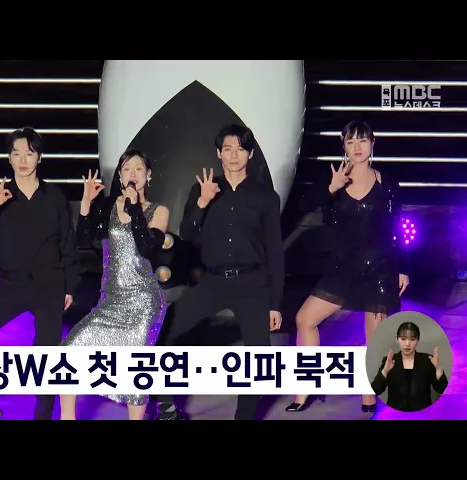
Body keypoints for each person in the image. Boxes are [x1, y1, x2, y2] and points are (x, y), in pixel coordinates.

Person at [155, 123, 284, 421]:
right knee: (167, 330)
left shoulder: (266, 197)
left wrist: (275, 303)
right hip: (212, 280)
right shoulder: (204, 188)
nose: (233, 155)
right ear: (218, 154)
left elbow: (275, 252)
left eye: (240, 149)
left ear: (250, 154)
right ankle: (166, 405)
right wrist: (202, 202)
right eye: (227, 149)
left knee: (259, 358)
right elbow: (187, 234)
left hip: (252, 284)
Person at [285, 120, 410, 414]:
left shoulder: (387, 184)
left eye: (362, 140)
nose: (357, 147)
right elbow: (302, 206)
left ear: (372, 144)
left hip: (379, 267)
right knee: (305, 319)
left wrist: (403, 268)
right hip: (343, 267)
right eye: (351, 141)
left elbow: (398, 228)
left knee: (374, 338)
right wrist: (331, 187)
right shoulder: (334, 178)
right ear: (343, 146)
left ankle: (368, 396)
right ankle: (306, 387)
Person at [0, 126, 79, 421]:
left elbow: (68, 243)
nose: (23, 160)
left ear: (40, 157)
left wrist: (69, 286)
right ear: (9, 158)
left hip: (49, 284)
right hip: (11, 285)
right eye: (16, 154)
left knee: (46, 358)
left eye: (29, 153)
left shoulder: (55, 197)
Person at [59, 150, 170, 421]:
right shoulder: (108, 207)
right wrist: (86, 204)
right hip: (110, 301)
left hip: (143, 302)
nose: (133, 174)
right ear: (120, 176)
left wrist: (134, 208)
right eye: (127, 169)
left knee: (134, 371)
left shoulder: (159, 211)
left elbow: (146, 248)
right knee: (69, 351)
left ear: (148, 175)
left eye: (139, 169)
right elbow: (85, 241)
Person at [371, 321, 448, 412]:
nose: (407, 344)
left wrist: (438, 368)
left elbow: (441, 389)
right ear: (397, 340)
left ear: (417, 341)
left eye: (412, 339)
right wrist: (385, 371)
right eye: (403, 339)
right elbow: (376, 390)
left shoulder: (428, 360)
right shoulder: (389, 360)